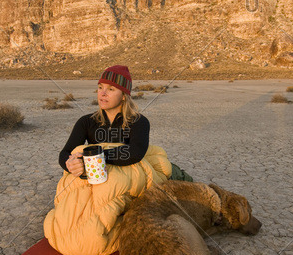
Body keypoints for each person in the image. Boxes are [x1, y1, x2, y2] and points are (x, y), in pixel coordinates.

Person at [59, 64, 194, 181]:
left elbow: (135, 152)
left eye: (111, 89)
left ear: (124, 96)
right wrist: (71, 164)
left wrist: (92, 159)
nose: (103, 93)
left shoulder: (139, 122)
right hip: (106, 178)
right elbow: (65, 153)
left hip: (139, 173)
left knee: (182, 180)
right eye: (100, 87)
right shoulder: (86, 122)